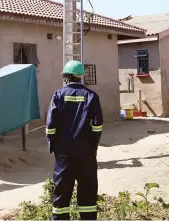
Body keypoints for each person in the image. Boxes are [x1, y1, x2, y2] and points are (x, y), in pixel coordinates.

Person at [46, 60, 103, 220]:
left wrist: (53, 149)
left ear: (66, 77)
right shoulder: (92, 96)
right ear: (80, 77)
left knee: (61, 198)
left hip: (63, 156)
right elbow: (97, 126)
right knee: (88, 196)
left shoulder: (58, 95)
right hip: (86, 155)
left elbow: (50, 126)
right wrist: (92, 149)